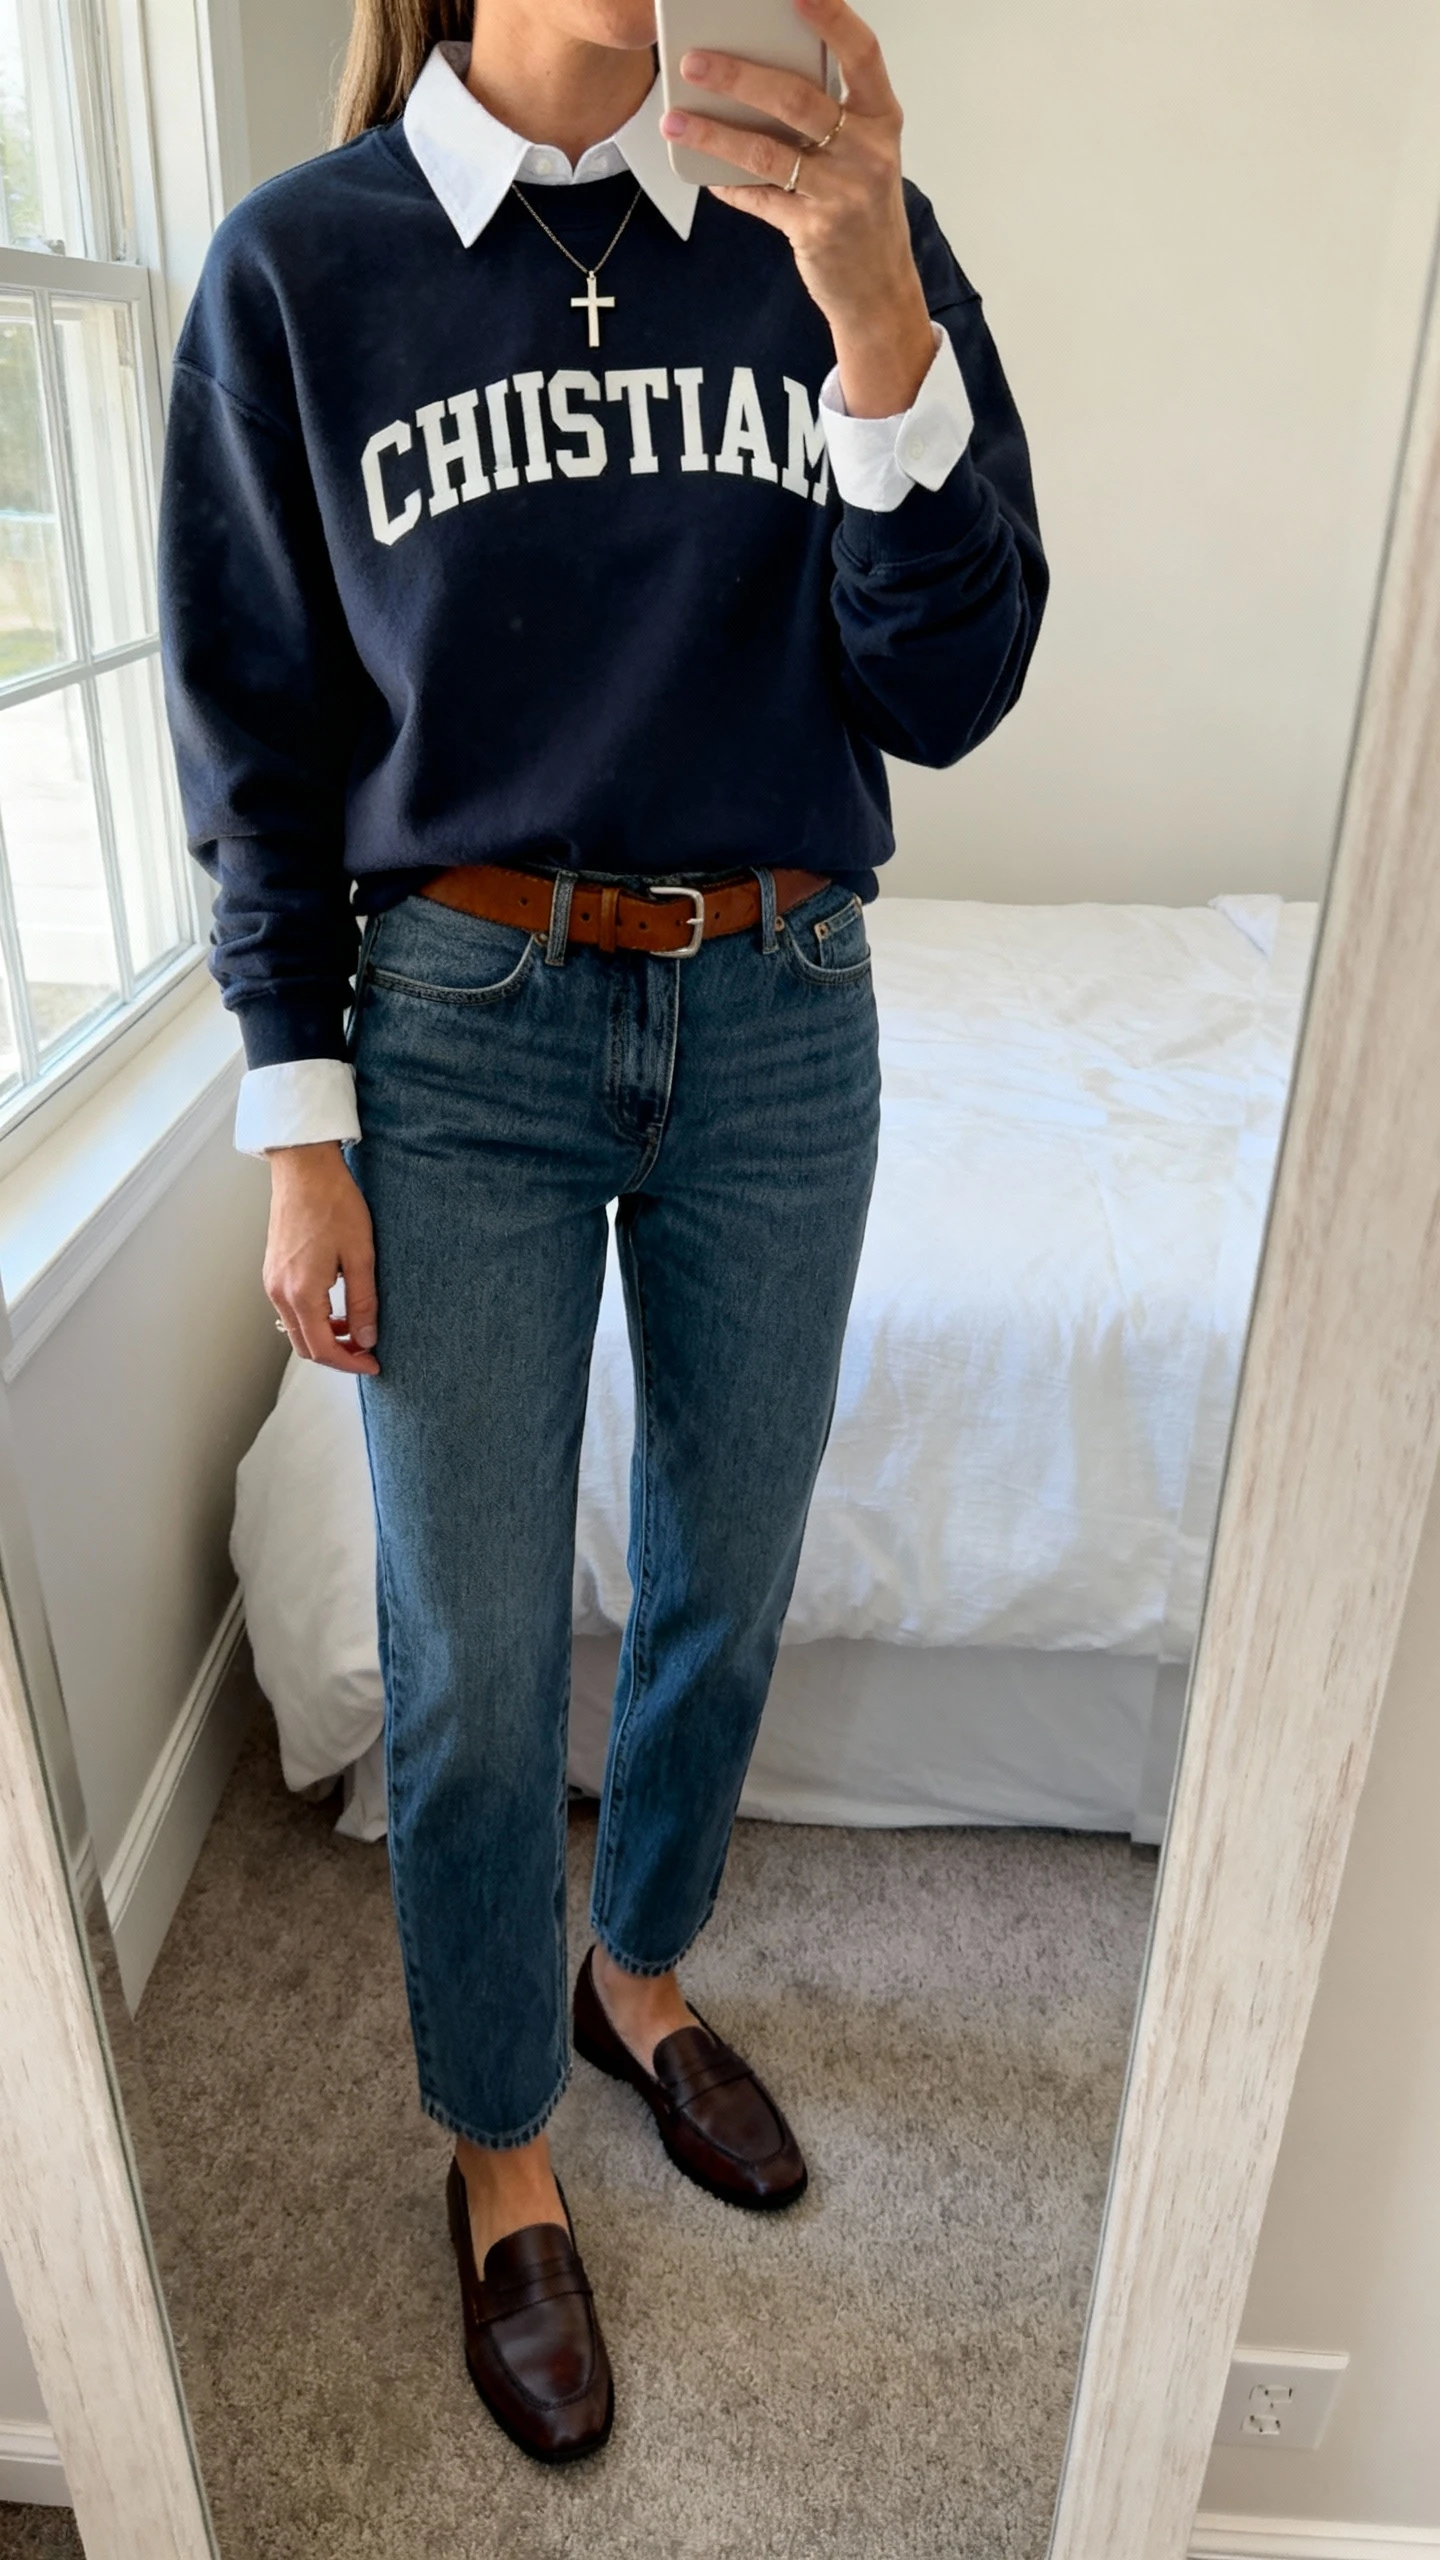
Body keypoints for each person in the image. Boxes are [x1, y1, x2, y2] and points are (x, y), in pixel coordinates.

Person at [157, 0, 1046, 2463]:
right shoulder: (299, 272)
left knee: (727, 1571)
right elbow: (257, 735)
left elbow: (952, 685)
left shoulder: (834, 219)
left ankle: (636, 1971)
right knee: (462, 1658)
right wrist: (297, 1115)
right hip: (461, 1029)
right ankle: (499, 2140)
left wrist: (876, 306)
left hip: (785, 1003)